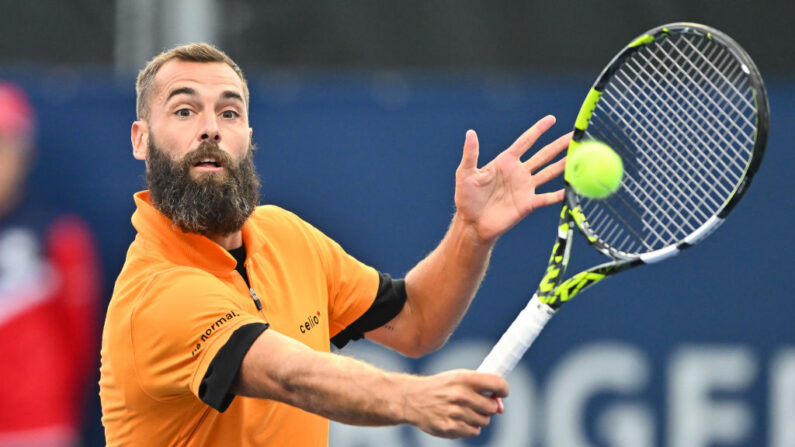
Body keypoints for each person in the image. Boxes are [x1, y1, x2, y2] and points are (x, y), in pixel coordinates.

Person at [99, 43, 569, 446]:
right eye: (184, 110)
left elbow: (416, 323)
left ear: (247, 136)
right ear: (141, 140)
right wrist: (412, 398)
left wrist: (470, 232)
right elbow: (291, 375)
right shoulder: (156, 294)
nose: (210, 128)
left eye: (229, 112)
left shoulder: (284, 234)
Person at [0, 82, 101, 446]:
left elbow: (81, 342)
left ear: (23, 154)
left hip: (35, 428)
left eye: (3, 145)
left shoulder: (61, 236)